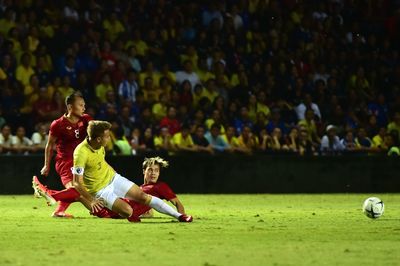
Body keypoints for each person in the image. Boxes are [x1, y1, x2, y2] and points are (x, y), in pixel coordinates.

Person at [72, 120, 192, 222]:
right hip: (100, 190)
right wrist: (92, 200)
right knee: (128, 211)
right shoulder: (81, 153)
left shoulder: (100, 145)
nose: (109, 138)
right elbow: (76, 182)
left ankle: (180, 216)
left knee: (143, 196)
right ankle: (107, 209)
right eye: (107, 136)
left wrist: (113, 173)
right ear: (98, 139)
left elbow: (100, 162)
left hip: (113, 179)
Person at [35, 91, 92, 217]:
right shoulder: (58, 124)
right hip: (65, 162)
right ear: (70, 107)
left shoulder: (86, 119)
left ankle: (59, 211)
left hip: (81, 161)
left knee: (81, 195)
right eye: (81, 105)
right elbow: (49, 145)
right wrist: (46, 165)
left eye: (84, 105)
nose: (84, 107)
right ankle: (48, 193)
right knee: (76, 189)